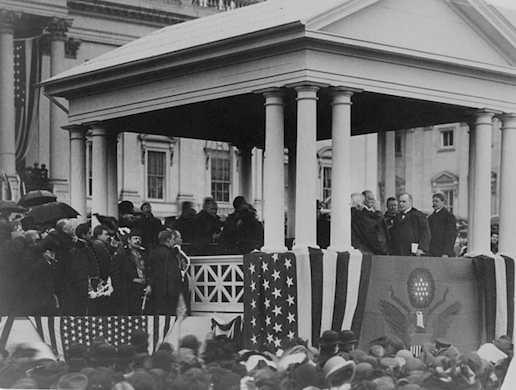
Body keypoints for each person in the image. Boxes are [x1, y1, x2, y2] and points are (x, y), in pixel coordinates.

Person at [111, 228, 152, 315]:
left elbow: (149, 270)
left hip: (143, 288)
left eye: (139, 239)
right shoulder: (122, 254)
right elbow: (115, 274)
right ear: (129, 240)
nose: (138, 241)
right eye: (135, 238)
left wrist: (149, 284)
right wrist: (119, 291)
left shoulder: (143, 253)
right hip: (129, 289)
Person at [149, 230, 184, 315]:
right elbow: (173, 274)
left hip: (156, 290)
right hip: (169, 292)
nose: (173, 241)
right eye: (172, 239)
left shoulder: (152, 252)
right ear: (168, 240)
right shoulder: (169, 254)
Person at [427, 193, 457, 257]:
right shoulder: (430, 218)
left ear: (443, 202)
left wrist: (446, 252)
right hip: (431, 252)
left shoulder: (449, 217)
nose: (434, 203)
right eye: (433, 201)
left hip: (443, 253)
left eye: (436, 201)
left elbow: (450, 236)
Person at [361, 190, 389, 255]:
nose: (372, 201)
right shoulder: (363, 213)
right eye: (370, 199)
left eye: (373, 199)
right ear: (363, 200)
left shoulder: (373, 213)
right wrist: (378, 211)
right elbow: (378, 225)